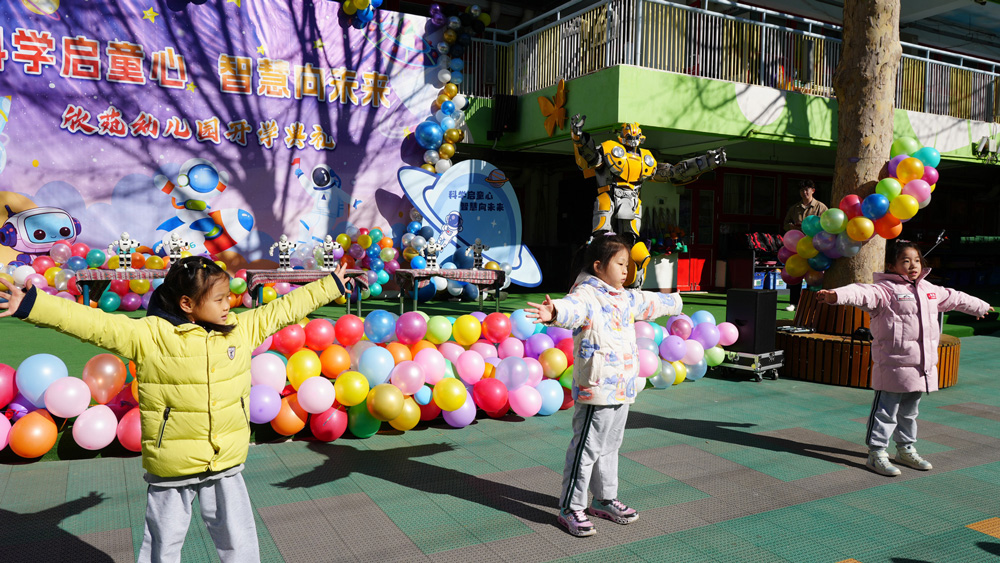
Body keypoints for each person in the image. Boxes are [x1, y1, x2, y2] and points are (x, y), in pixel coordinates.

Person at [0, 255, 348, 562]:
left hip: (224, 460)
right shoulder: (149, 335)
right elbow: (93, 324)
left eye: (229, 297)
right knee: (162, 545)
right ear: (187, 303)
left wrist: (330, 285)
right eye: (220, 299)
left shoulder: (240, 330)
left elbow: (283, 309)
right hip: (172, 466)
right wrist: (34, 306)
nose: (229, 305)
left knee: (239, 541)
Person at [525, 234, 683, 536]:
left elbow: (649, 302)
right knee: (586, 448)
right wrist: (554, 312)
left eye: (628, 265)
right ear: (598, 266)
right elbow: (573, 309)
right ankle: (572, 506)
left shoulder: (623, 295)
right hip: (597, 388)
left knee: (610, 446)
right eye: (620, 264)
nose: (626, 271)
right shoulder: (587, 294)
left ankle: (605, 498)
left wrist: (675, 301)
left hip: (622, 387)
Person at [815, 241, 991, 477]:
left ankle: (905, 449)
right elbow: (860, 291)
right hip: (892, 365)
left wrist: (979, 307)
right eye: (905, 261)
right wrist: (836, 295)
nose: (913, 266)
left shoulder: (930, 290)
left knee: (909, 412)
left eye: (916, 260)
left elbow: (955, 297)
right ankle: (876, 453)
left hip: (921, 367)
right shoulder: (884, 290)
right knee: (886, 411)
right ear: (892, 265)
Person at [783, 180, 828, 311]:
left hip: (815, 246)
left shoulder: (821, 207)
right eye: (802, 190)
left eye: (807, 189)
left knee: (814, 275)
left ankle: (811, 303)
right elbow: (785, 223)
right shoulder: (795, 208)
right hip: (796, 246)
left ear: (813, 190)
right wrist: (791, 226)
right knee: (796, 273)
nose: (804, 192)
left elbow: (827, 225)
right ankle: (793, 303)